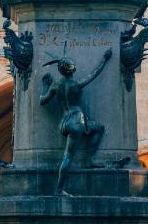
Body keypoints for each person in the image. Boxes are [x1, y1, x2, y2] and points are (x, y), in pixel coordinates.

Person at [39, 48, 113, 194]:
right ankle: (60, 188)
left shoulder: (55, 85)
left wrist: (45, 85)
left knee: (97, 128)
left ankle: (87, 163)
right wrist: (105, 59)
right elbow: (94, 74)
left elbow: (42, 101)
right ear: (72, 70)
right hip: (76, 120)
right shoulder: (75, 84)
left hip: (65, 122)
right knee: (69, 156)